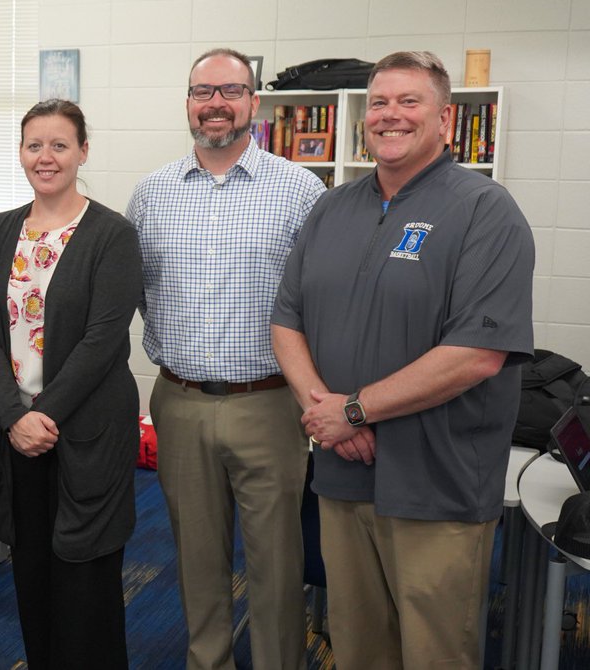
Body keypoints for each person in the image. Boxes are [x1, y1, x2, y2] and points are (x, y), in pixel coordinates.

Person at [271, 51, 534, 668]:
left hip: (435, 479)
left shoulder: (483, 210)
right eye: (378, 104)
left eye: (409, 102)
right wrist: (327, 414)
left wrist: (355, 410)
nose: (390, 115)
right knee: (356, 642)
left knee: (434, 649)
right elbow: (286, 321)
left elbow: (476, 354)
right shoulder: (332, 207)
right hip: (342, 471)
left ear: (446, 119)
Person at [126, 48, 326, 670]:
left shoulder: (301, 190)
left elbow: (322, 299)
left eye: (230, 91)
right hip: (179, 403)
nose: (216, 103)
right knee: (197, 559)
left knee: (276, 562)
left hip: (269, 404)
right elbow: (133, 291)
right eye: (202, 91)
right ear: (188, 102)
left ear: (254, 103)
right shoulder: (151, 194)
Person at [0, 99, 141, 669]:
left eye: (59, 145)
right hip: (17, 435)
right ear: (20, 154)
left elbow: (103, 339)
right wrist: (14, 416)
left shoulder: (112, 235)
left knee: (85, 578)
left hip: (86, 432)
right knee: (32, 572)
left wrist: (44, 414)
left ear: (83, 152)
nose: (46, 157)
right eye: (34, 145)